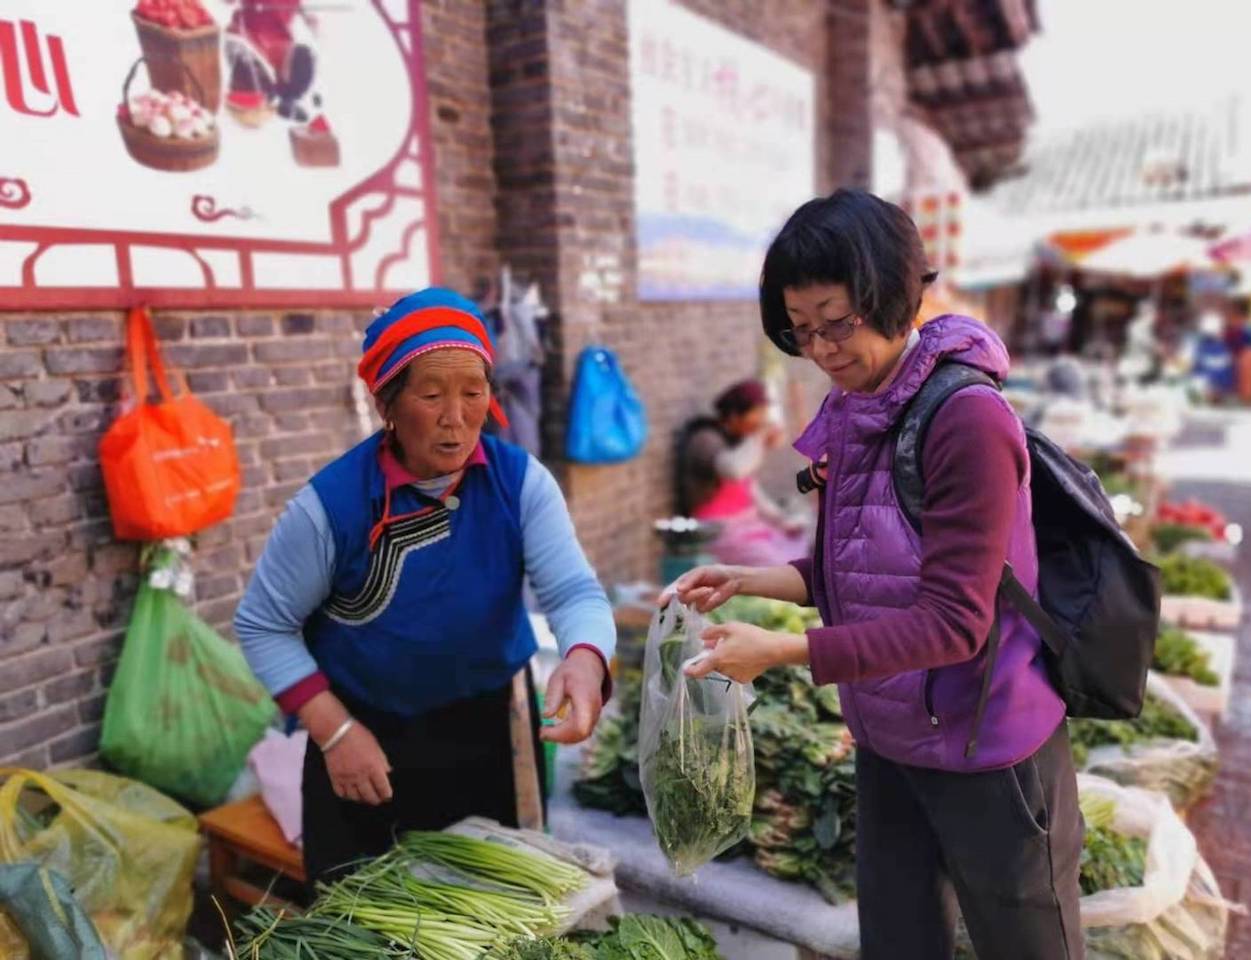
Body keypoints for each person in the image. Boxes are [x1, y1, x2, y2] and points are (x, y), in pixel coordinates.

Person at [670, 189, 1084, 959]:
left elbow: (957, 622)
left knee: (1027, 944)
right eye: (803, 332)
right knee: (898, 940)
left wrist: (784, 652)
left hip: (986, 746)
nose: (823, 348)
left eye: (838, 322)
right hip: (892, 738)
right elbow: (856, 572)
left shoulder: (966, 419)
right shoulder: (857, 407)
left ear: (891, 292)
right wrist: (746, 579)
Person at [235, 287, 615, 884]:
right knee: (364, 922)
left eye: (473, 392)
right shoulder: (330, 507)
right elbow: (263, 624)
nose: (456, 417)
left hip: (492, 726)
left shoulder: (519, 483)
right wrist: (333, 731)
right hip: (362, 733)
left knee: (498, 910)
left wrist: (586, 658)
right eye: (431, 395)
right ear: (388, 403)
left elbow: (573, 593)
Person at [674, 380, 810, 566]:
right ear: (734, 416)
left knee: (802, 548)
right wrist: (759, 437)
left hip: (750, 525)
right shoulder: (705, 439)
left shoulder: (739, 440)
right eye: (756, 416)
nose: (759, 422)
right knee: (782, 566)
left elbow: (751, 490)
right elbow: (734, 470)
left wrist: (781, 520)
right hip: (721, 530)